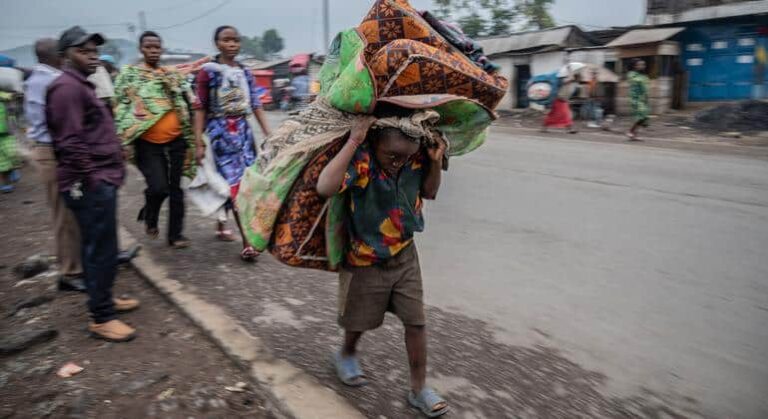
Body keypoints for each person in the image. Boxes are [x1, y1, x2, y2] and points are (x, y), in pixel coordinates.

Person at [316, 116, 450, 418]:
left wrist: (434, 161)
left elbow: (429, 192)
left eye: (405, 157)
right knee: (358, 320)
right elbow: (325, 187)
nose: (398, 163)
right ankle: (346, 352)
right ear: (374, 144)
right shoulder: (362, 163)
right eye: (392, 156)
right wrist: (353, 140)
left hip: (404, 256)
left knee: (416, 322)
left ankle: (418, 389)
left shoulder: (414, 161)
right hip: (364, 260)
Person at [47, 26, 139, 342]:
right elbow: (70, 142)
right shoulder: (66, 89)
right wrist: (94, 179)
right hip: (89, 183)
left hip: (97, 179)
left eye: (94, 51)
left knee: (101, 246)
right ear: (65, 56)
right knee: (99, 249)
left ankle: (104, 298)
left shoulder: (81, 85)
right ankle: (101, 317)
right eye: (83, 51)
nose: (92, 56)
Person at [193, 25, 271, 261]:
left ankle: (222, 222)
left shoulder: (246, 73)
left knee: (246, 183)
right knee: (236, 187)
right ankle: (248, 241)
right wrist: (198, 141)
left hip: (244, 135)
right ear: (217, 43)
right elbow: (200, 107)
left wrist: (269, 133)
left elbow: (255, 103)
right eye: (226, 40)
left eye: (236, 40)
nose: (232, 44)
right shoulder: (208, 72)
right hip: (221, 135)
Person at [114, 31, 194, 248]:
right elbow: (120, 105)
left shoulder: (171, 75)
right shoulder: (130, 75)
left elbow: (188, 101)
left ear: (162, 49)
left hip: (177, 140)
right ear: (141, 49)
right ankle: (150, 215)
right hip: (148, 143)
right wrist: (122, 137)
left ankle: (175, 235)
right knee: (159, 187)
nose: (153, 50)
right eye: (149, 46)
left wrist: (196, 136)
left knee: (176, 188)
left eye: (157, 47)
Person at [24, 38, 87, 291]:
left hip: (54, 148)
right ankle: (70, 272)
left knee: (75, 210)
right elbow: (56, 122)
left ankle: (79, 264)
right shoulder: (48, 81)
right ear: (57, 55)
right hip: (53, 151)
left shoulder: (42, 79)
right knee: (64, 213)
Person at [627, 59, 650, 141]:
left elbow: (646, 87)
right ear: (634, 66)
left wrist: (647, 97)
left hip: (643, 99)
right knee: (641, 115)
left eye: (643, 64)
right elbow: (636, 81)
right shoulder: (632, 74)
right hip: (636, 99)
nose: (642, 66)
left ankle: (633, 134)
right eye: (640, 65)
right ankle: (631, 131)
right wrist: (643, 80)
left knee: (644, 117)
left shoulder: (643, 76)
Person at [0, 91, 19, 193]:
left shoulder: (6, 95)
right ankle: (5, 182)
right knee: (1, 161)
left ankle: (13, 168)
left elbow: (13, 109)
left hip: (8, 132)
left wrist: (10, 98)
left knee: (12, 154)